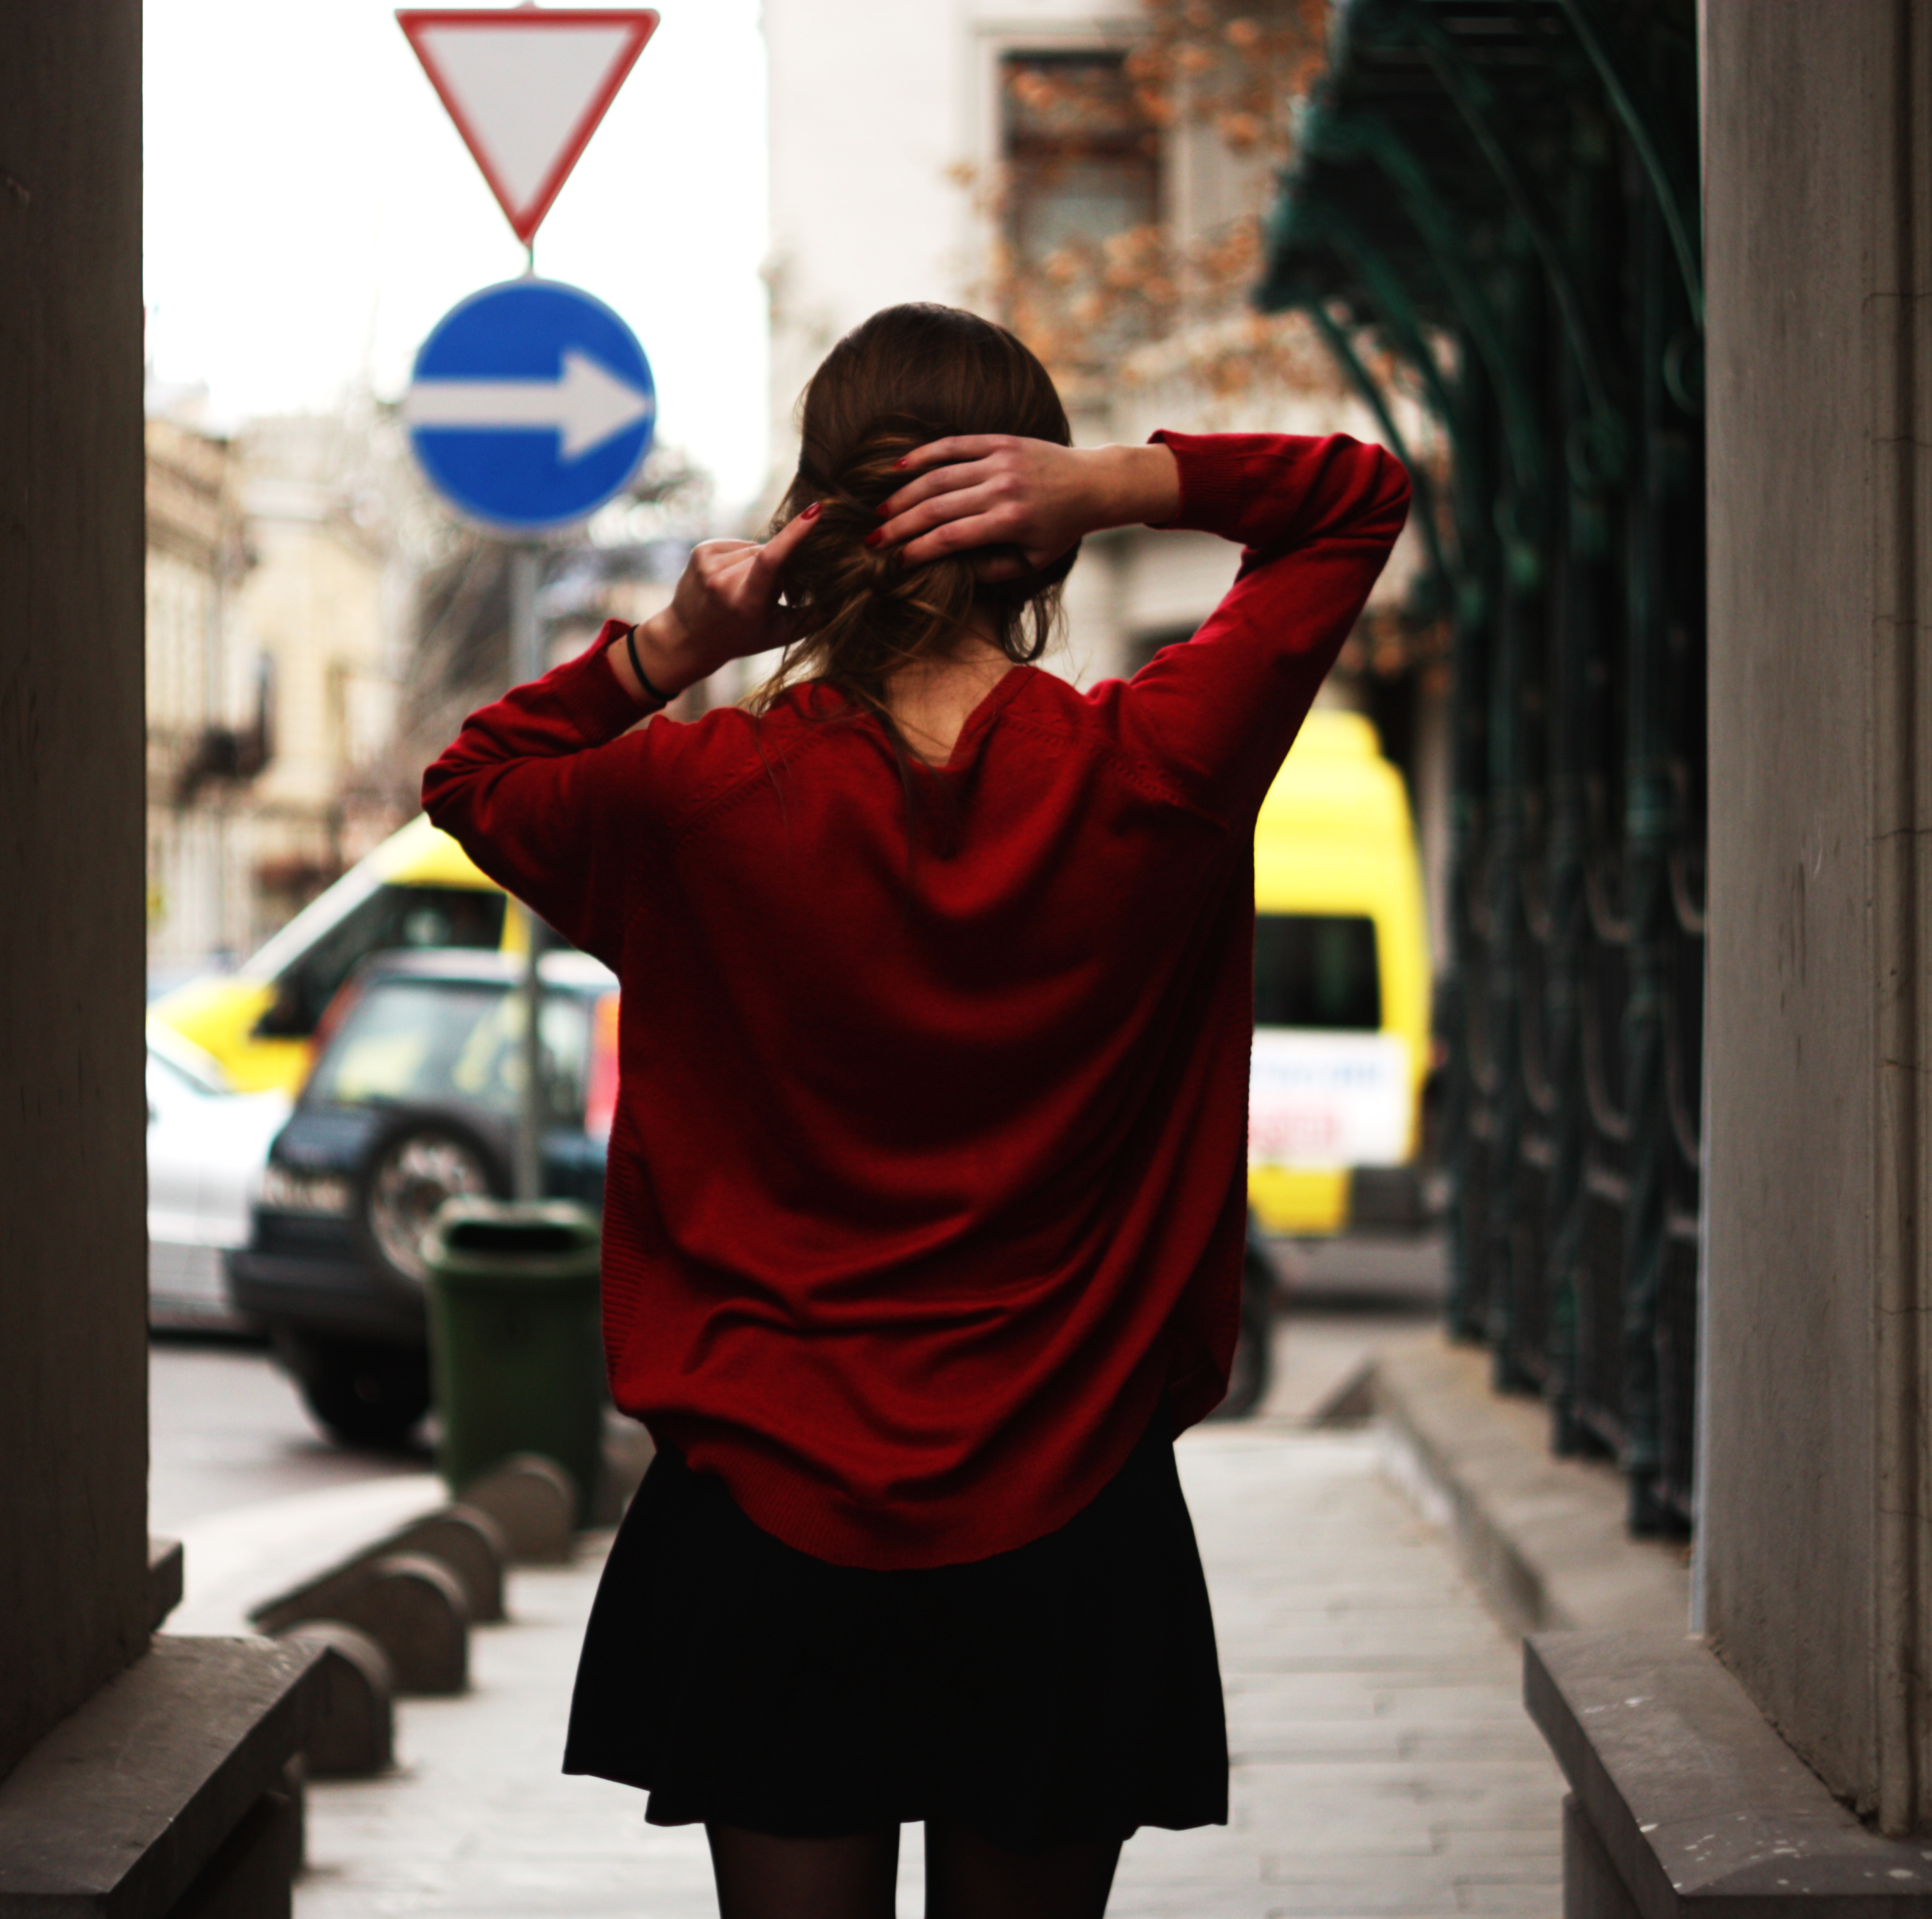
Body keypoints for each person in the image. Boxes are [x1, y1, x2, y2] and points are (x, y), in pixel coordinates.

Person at [422, 301, 1409, 1919]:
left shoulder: (700, 799)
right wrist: (1119, 482)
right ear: (1039, 541)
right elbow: (1353, 498)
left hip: (768, 1513)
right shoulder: (1157, 770)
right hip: (1068, 1509)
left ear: (819, 525)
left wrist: (674, 646)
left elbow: (476, 776)